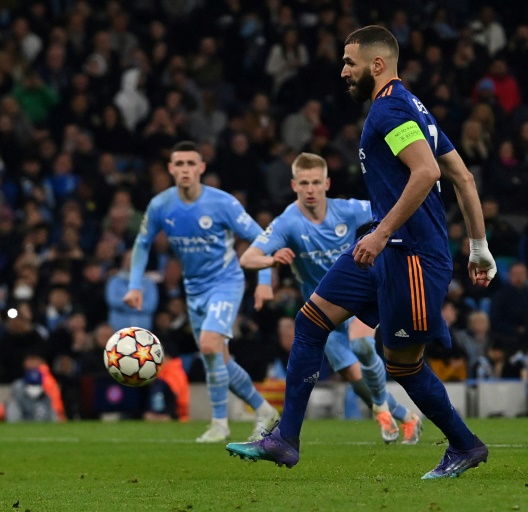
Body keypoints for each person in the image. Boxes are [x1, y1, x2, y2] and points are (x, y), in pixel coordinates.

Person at [227, 26, 497, 480]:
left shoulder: (390, 109)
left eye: (350, 62)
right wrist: (479, 247)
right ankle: (285, 440)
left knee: (404, 367)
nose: (343, 71)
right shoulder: (411, 107)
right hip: (386, 250)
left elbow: (427, 172)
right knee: (310, 322)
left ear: (377, 64)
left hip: (411, 255)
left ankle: (465, 444)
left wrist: (383, 232)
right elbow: (463, 178)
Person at [239, 152, 421, 444]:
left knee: (362, 346)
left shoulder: (346, 210)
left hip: (357, 299)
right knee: (355, 379)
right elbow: (249, 258)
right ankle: (405, 416)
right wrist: (270, 262)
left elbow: (390, 209)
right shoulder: (287, 222)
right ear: (294, 185)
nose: (310, 189)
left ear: (326, 184)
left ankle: (382, 409)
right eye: (304, 183)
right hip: (323, 312)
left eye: (315, 182)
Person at [124, 140, 280, 443]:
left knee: (209, 346)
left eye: (190, 164)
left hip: (226, 282)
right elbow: (142, 243)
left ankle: (220, 423)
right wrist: (134, 285)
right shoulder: (161, 205)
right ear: (171, 169)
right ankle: (265, 410)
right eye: (179, 164)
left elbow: (262, 240)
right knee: (218, 360)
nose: (185, 169)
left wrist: (263, 283)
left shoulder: (222, 203)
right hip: (194, 289)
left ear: (201, 168)